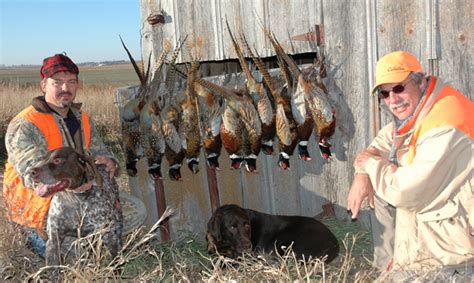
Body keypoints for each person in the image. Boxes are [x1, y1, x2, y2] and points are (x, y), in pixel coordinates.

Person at [347, 51, 473, 280]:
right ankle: (388, 267)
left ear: (420, 81)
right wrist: (362, 173)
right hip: (441, 222)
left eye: (398, 88)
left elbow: (405, 192)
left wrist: (370, 165)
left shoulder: (446, 120)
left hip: (456, 248)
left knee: (389, 184)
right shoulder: (423, 110)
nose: (392, 99)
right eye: (385, 94)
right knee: (380, 181)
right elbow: (382, 143)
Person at [2, 53, 118, 258]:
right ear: (43, 85)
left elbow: (100, 153)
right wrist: (74, 185)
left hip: (79, 196)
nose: (66, 88)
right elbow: (32, 174)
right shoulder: (25, 123)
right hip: (38, 206)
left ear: (78, 84)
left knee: (135, 211)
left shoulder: (82, 118)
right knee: (78, 257)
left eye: (71, 82)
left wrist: (110, 163)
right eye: (58, 83)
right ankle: (30, 235)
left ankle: (84, 240)